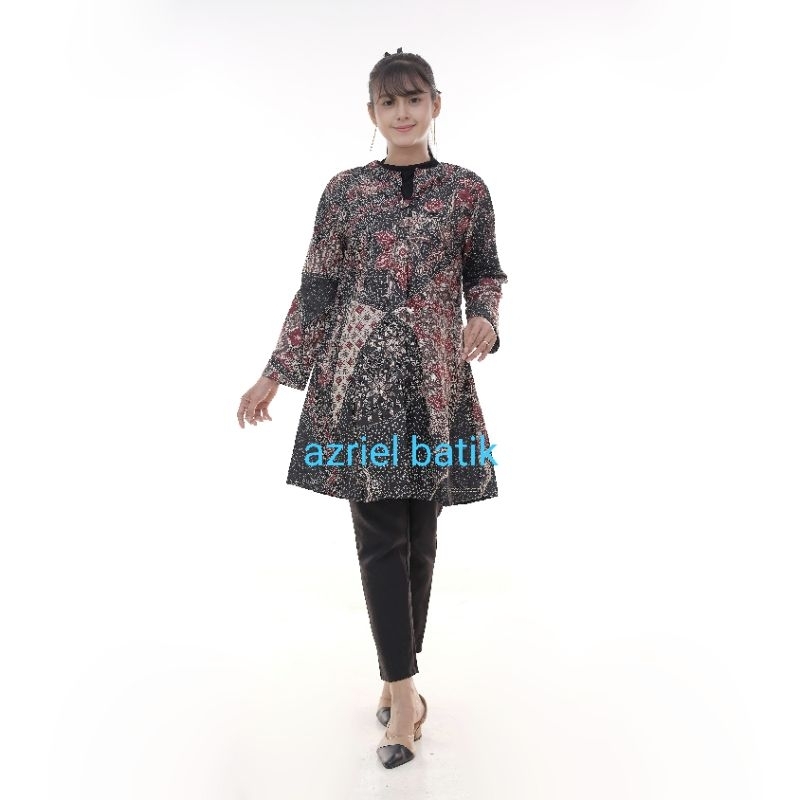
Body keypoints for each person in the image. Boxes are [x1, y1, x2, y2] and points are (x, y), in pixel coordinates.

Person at [237, 48, 508, 769]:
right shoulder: (345, 193)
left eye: (414, 98)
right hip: (357, 382)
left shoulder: (467, 190)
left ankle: (397, 677)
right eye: (389, 102)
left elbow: (484, 269)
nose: (403, 112)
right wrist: (276, 372)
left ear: (435, 104)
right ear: (372, 113)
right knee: (380, 536)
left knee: (420, 536)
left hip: (436, 386)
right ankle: (405, 698)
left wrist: (484, 316)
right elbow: (318, 286)